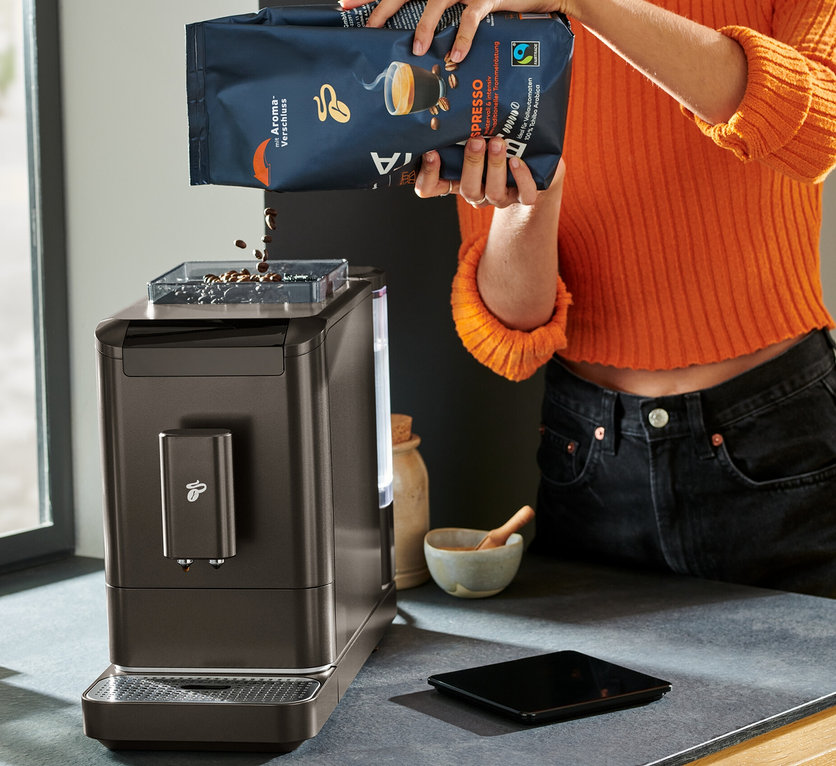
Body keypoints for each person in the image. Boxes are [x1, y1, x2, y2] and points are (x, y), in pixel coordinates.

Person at [341, 0, 836, 597]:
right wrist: (529, 202)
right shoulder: (495, 15)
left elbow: (818, 129)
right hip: (591, 458)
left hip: (781, 446)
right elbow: (509, 335)